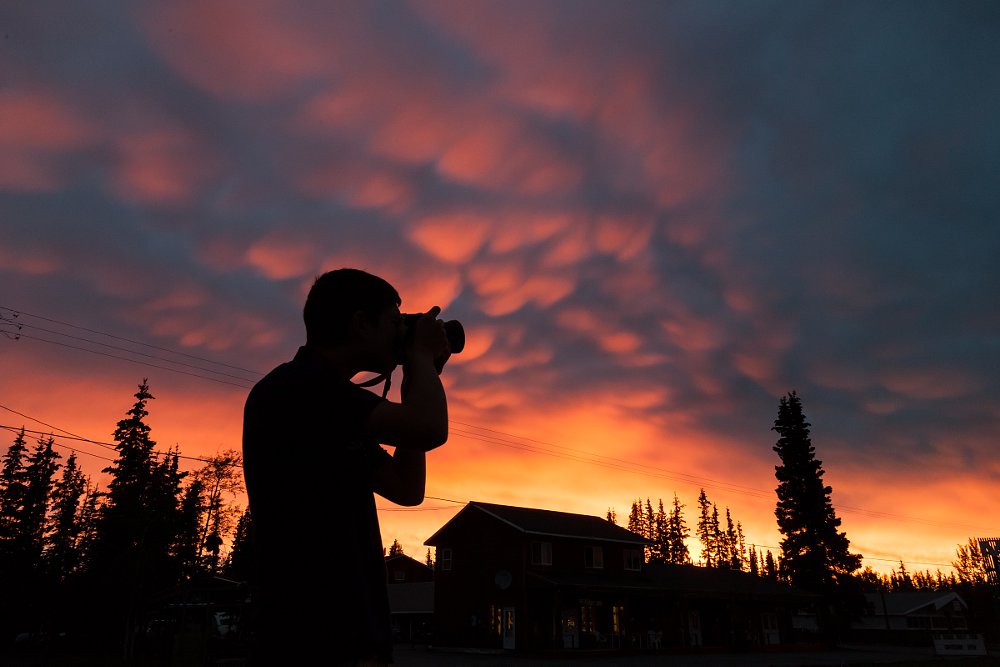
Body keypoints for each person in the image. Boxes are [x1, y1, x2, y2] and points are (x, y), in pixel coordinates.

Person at [242, 268, 451, 666]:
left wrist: (417, 377)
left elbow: (406, 488)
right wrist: (422, 359)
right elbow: (428, 428)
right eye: (395, 322)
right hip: (314, 638)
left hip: (345, 637)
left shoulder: (329, 404)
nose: (401, 333)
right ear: (361, 324)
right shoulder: (300, 388)